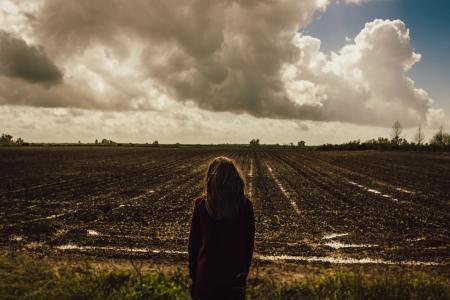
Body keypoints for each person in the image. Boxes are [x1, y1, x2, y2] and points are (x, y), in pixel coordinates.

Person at [188, 156, 255, 300]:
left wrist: (194, 277)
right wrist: (243, 274)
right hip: (234, 277)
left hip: (206, 277)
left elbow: (193, 245)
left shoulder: (201, 205)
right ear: (235, 178)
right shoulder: (245, 206)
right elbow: (248, 246)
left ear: (211, 178)